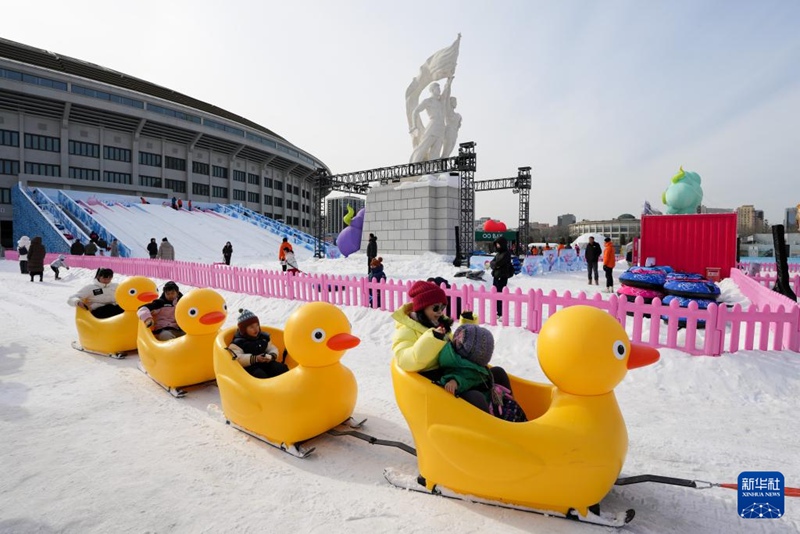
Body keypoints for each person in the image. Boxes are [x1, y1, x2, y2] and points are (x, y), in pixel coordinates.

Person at [391, 281, 511, 393]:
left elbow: (454, 345)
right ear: (422, 308)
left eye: (442, 307)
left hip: (452, 369)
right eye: (435, 308)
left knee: (498, 373)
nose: (440, 312)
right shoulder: (406, 331)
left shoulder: (438, 324)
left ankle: (512, 409)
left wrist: (467, 325)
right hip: (434, 379)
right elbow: (405, 360)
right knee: (475, 395)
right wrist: (432, 340)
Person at [437, 324, 515, 417]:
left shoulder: (467, 359)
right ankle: (491, 424)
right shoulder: (456, 363)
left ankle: (510, 407)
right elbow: (463, 376)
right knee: (476, 396)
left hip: (487, 393)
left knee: (498, 372)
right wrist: (455, 381)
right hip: (470, 399)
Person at [227, 309, 289, 379]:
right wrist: (255, 358)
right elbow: (237, 358)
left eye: (257, 325)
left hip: (264, 363)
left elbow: (272, 348)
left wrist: (271, 356)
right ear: (243, 329)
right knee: (260, 375)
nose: (256, 329)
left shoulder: (263, 337)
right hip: (250, 368)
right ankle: (266, 388)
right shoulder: (238, 342)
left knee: (281, 368)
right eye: (251, 327)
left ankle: (284, 384)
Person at [409, 78, 452, 163]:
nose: (439, 90)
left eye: (439, 88)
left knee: (436, 150)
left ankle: (432, 170)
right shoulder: (428, 101)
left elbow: (446, 92)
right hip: (433, 126)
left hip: (441, 127)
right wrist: (414, 126)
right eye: (437, 88)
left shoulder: (440, 101)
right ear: (432, 90)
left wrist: (449, 82)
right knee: (424, 146)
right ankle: (413, 165)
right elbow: (415, 111)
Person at [489, 236, 514, 319]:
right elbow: (492, 263)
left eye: (498, 244)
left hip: (502, 276)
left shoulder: (506, 253)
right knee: (495, 295)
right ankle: (498, 312)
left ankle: (501, 313)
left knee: (500, 295)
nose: (497, 246)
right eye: (496, 244)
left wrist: (495, 265)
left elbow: (498, 263)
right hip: (496, 276)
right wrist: (494, 265)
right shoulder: (498, 253)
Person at [440, 94, 462, 159]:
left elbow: (458, 126)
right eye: (454, 101)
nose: (456, 103)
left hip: (454, 134)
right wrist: (448, 86)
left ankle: (443, 163)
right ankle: (441, 164)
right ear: (450, 103)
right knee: (446, 151)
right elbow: (446, 100)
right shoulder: (448, 112)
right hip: (448, 132)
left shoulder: (458, 115)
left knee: (449, 151)